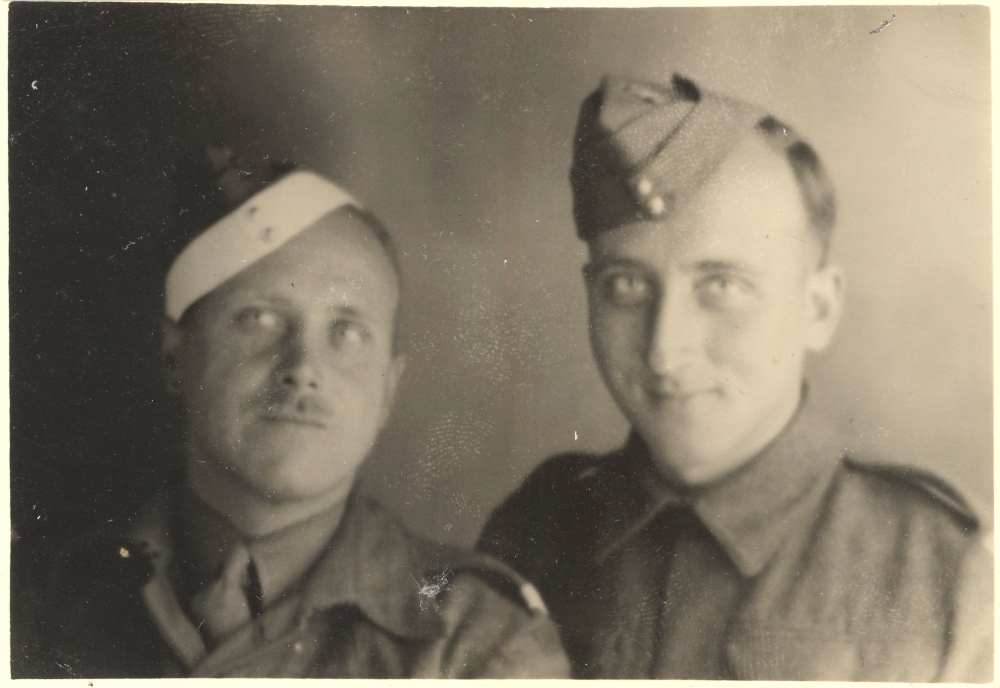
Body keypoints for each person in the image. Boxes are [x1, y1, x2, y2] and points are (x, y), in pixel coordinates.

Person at [478, 74, 993, 681]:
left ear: (818, 309)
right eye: (627, 285)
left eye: (722, 286)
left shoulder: (944, 570)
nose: (665, 350)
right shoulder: (537, 529)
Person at [32, 146, 570, 678]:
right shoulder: (37, 596)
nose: (304, 367)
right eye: (260, 319)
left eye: (347, 332)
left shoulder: (478, 645)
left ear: (387, 389)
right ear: (174, 356)